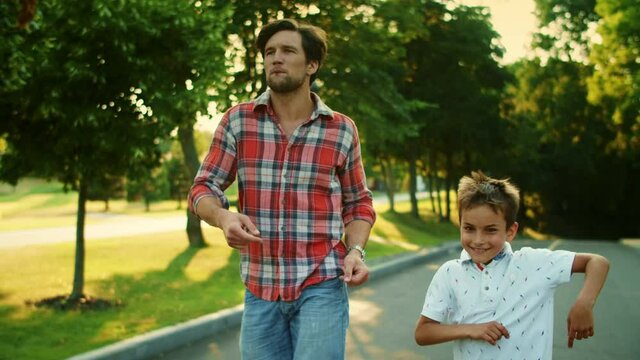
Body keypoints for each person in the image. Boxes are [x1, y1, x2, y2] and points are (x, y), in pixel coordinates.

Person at [188, 18, 376, 359]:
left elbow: (359, 202)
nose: (276, 58)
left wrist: (356, 251)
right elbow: (203, 187)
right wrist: (222, 217)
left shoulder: (341, 130)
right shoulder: (238, 121)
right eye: (269, 52)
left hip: (322, 284)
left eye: (288, 51)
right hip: (261, 288)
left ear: (312, 65)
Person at [414, 171, 609, 359]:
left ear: (511, 231)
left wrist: (584, 304)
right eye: (469, 228)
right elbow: (422, 333)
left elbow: (597, 262)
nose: (478, 240)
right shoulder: (449, 273)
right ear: (460, 224)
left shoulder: (533, 263)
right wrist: (471, 329)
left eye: (490, 230)